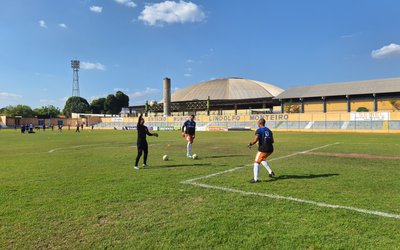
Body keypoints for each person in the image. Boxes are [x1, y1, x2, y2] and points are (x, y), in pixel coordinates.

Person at [247, 118, 275, 183]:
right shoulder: (269, 130)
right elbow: (272, 141)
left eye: (258, 123)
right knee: (262, 159)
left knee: (256, 162)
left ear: (259, 123)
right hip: (270, 149)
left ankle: (255, 179)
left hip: (263, 149)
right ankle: (270, 172)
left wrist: (250, 144)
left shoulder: (259, 130)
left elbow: (255, 140)